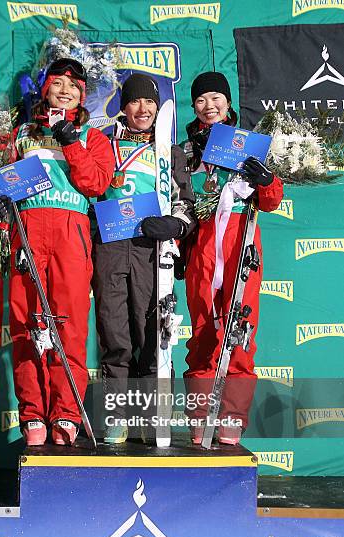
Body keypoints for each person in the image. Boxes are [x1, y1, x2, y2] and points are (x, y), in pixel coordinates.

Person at [0, 58, 114, 446]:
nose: (65, 90)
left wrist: (70, 139)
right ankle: (33, 412)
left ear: (83, 95)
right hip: (27, 232)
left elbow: (95, 183)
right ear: (45, 88)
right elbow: (0, 187)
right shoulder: (21, 134)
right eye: (58, 83)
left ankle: (66, 413)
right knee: (26, 325)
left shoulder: (93, 136)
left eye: (74, 86)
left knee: (67, 325)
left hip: (71, 233)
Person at [92, 72, 196, 444]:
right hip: (110, 248)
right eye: (135, 101)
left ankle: (153, 419)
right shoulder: (104, 145)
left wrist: (175, 224)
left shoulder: (170, 151)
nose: (143, 109)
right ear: (123, 106)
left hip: (151, 253)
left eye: (150, 102)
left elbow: (187, 205)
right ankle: (117, 416)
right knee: (115, 334)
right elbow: (88, 191)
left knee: (153, 334)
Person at [180, 71, 283, 446]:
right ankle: (200, 415)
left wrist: (266, 178)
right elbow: (179, 199)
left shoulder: (250, 145)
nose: (209, 106)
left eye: (215, 99)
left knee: (240, 331)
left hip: (242, 243)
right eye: (201, 101)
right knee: (204, 333)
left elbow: (270, 201)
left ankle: (232, 418)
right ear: (194, 107)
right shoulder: (185, 150)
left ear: (228, 103)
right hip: (203, 247)